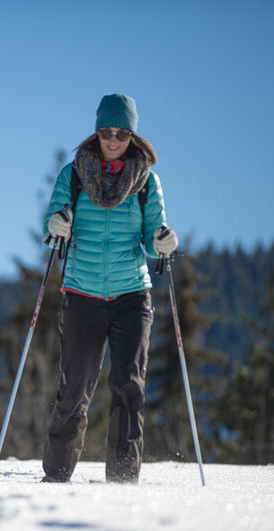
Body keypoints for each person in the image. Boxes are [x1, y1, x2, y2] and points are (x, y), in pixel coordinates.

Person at [41, 94, 178, 484]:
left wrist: (164, 241)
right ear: (97, 131)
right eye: (106, 131)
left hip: (131, 295)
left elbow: (154, 238)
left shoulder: (147, 180)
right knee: (75, 389)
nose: (112, 139)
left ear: (132, 134)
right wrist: (56, 225)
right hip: (82, 293)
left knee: (128, 387)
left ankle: (122, 479)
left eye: (120, 132)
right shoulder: (73, 174)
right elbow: (52, 224)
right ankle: (56, 476)